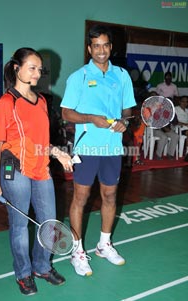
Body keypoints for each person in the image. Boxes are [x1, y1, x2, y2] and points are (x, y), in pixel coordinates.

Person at [0, 48, 73, 295]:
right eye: (32, 68)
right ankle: (24, 274)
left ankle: (42, 267)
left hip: (40, 168)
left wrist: (58, 153)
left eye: (40, 69)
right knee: (20, 224)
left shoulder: (43, 101)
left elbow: (40, 140)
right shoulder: (7, 102)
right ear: (17, 69)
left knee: (49, 222)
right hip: (13, 168)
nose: (38, 73)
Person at [61, 24, 136, 276]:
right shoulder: (78, 76)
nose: (101, 50)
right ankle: (77, 250)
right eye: (96, 46)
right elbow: (66, 112)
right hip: (87, 146)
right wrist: (91, 118)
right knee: (80, 198)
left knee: (110, 196)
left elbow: (127, 110)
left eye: (105, 45)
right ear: (89, 48)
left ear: (110, 47)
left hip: (112, 148)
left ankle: (104, 245)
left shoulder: (122, 76)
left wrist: (126, 121)